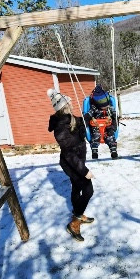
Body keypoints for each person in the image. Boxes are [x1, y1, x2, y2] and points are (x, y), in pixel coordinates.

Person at [48, 89, 95, 240]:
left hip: (79, 161)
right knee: (88, 190)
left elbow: (80, 122)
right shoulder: (60, 128)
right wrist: (84, 171)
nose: (72, 103)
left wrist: (89, 115)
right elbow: (68, 153)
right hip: (72, 164)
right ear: (64, 106)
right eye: (69, 102)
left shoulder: (70, 118)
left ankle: (78, 214)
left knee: (76, 189)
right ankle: (75, 222)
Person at [83, 79, 120, 159]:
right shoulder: (94, 109)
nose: (105, 108)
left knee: (110, 137)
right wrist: (84, 123)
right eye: (103, 107)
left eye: (106, 106)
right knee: (95, 136)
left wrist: (113, 128)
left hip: (108, 127)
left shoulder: (110, 109)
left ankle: (113, 150)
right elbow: (87, 116)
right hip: (96, 126)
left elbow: (115, 119)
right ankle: (94, 150)